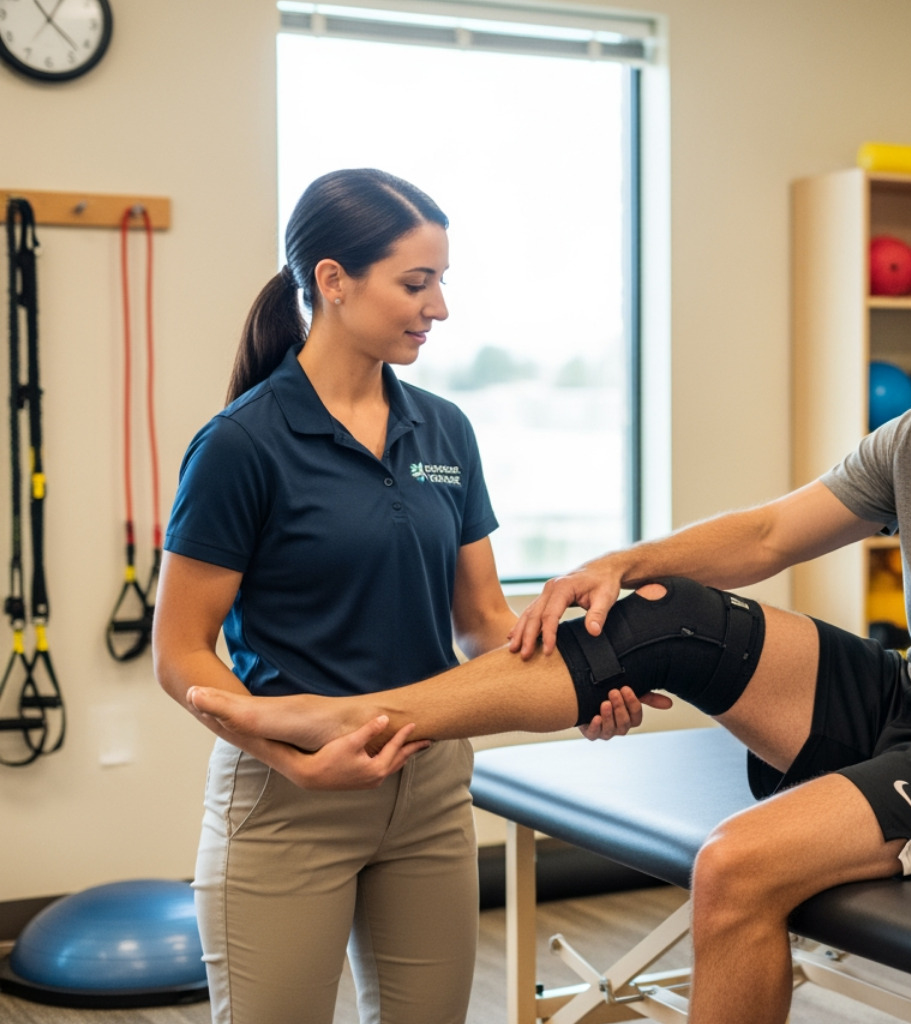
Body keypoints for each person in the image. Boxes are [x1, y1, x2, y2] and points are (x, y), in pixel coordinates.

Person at [184, 180, 911, 1024]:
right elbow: (773, 533)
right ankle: (384, 711)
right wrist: (619, 564)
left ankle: (368, 715)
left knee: (731, 865)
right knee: (660, 608)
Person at [153, 168, 639, 1024]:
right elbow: (180, 654)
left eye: (441, 281)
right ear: (332, 281)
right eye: (417, 283)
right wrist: (290, 757)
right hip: (289, 797)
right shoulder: (241, 446)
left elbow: (485, 622)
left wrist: (593, 678)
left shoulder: (444, 428)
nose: (439, 307)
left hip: (432, 779)